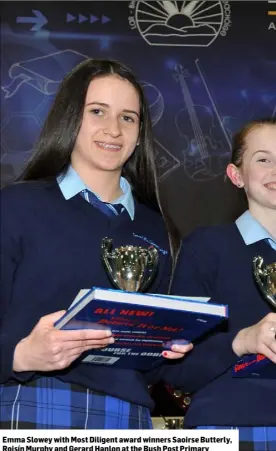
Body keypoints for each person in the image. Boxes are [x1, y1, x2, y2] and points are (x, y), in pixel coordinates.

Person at [0, 58, 192, 429]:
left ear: (140, 133)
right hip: (32, 405)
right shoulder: (16, 207)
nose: (113, 130)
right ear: (71, 118)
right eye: (97, 111)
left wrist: (169, 348)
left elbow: (150, 362)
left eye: (127, 118)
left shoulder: (159, 229)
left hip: (130, 416)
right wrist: (20, 355)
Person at [147, 118, 276, 449]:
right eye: (263, 159)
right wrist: (243, 340)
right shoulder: (207, 248)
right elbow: (174, 370)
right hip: (232, 423)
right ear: (237, 175)